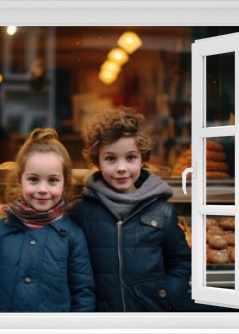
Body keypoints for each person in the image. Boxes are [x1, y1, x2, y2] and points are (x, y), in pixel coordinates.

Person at [70, 106, 191, 312]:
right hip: (101, 320)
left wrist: (167, 297)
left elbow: (180, 260)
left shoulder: (162, 211)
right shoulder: (82, 212)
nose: (121, 168)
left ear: (143, 159)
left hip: (150, 318)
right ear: (96, 161)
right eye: (110, 158)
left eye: (130, 157)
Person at [0, 128, 95, 312]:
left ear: (64, 182)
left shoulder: (73, 236)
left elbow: (83, 293)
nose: (43, 189)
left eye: (52, 180)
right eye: (34, 180)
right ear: (20, 180)